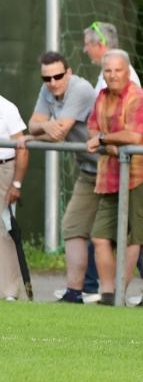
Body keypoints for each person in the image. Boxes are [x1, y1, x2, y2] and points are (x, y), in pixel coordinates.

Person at [80, 20, 143, 305]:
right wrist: (103, 140)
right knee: (99, 236)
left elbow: (133, 135)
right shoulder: (102, 98)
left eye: (118, 70)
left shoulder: (139, 98)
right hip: (110, 174)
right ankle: (109, 294)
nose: (112, 76)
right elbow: (91, 130)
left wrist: (104, 140)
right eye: (108, 71)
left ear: (126, 71)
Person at [18, 51, 98, 304]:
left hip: (117, 167)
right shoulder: (48, 90)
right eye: (47, 78)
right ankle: (74, 293)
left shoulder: (81, 89)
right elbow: (34, 123)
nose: (52, 82)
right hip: (88, 170)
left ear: (69, 73)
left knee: (127, 233)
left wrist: (35, 135)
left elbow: (58, 133)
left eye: (58, 76)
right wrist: (43, 127)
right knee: (73, 227)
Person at [0, 95, 29, 300]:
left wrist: (16, 184)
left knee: (4, 227)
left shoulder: (7, 107)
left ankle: (9, 291)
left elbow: (22, 147)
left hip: (5, 168)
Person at [83, 21, 141, 94]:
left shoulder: (115, 75)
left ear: (100, 45)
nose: (85, 50)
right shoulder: (111, 69)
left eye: (87, 44)